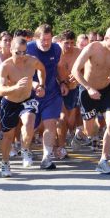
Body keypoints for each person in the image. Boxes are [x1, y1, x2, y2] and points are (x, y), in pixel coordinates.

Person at [72, 25, 110, 174]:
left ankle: (103, 160)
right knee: (91, 131)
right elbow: (75, 70)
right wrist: (89, 88)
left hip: (106, 90)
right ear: (105, 38)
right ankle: (80, 134)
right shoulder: (92, 48)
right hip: (87, 91)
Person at [0, 37, 46, 176]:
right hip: (10, 102)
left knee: (29, 121)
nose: (21, 56)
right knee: (8, 136)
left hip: (27, 99)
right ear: (11, 50)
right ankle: (5, 163)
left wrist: (41, 85)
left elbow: (42, 69)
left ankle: (25, 149)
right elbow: (1, 90)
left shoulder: (31, 61)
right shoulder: (5, 66)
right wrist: (15, 86)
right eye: (18, 52)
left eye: (24, 52)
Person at [26, 24, 69, 170]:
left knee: (50, 124)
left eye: (48, 39)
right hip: (30, 94)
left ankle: (46, 157)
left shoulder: (56, 49)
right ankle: (26, 150)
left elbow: (58, 68)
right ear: (35, 39)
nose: (46, 43)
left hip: (51, 93)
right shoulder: (28, 48)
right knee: (30, 127)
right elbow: (20, 72)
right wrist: (34, 85)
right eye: (43, 40)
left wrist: (63, 82)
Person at [57, 30, 81, 159]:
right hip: (57, 89)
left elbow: (85, 68)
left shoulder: (78, 52)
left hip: (74, 88)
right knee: (62, 118)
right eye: (66, 43)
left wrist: (78, 77)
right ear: (60, 42)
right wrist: (62, 81)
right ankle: (61, 147)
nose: (69, 46)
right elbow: (50, 71)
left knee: (71, 121)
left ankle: (70, 138)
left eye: (72, 43)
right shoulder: (56, 52)